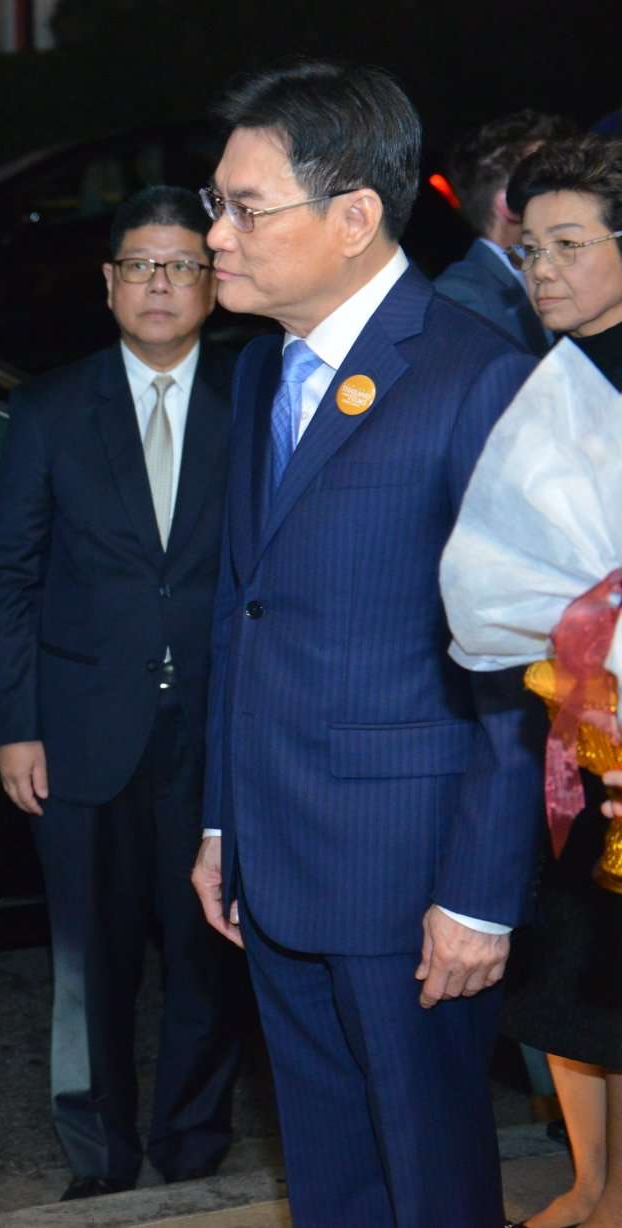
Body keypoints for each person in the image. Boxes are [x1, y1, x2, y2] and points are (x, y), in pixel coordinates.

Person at [187, 62, 539, 1226]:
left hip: (408, 876)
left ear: (352, 219)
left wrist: (481, 896)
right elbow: (244, 605)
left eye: (245, 208)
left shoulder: (474, 377)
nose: (214, 236)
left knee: (429, 1179)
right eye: (213, 203)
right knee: (331, 1179)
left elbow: (514, 667)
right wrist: (219, 821)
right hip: (274, 860)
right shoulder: (259, 373)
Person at [0, 185, 241, 1199]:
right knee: (87, 962)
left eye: (181, 264)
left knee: (205, 950)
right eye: (140, 266)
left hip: (214, 730)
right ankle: (99, 1155)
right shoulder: (50, 405)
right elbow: (11, 574)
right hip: (81, 731)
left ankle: (191, 1143)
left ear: (214, 284)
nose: (160, 285)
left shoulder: (253, 397)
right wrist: (14, 727)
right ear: (108, 284)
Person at [444, 134, 622, 1228]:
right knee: (565, 964)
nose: (540, 268)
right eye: (528, 247)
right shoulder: (540, 377)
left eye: (567, 245)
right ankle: (588, 1179)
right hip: (563, 723)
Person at [435, 110, 577, 356]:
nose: (566, 193)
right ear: (509, 205)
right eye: (548, 182)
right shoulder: (461, 300)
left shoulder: (548, 276)